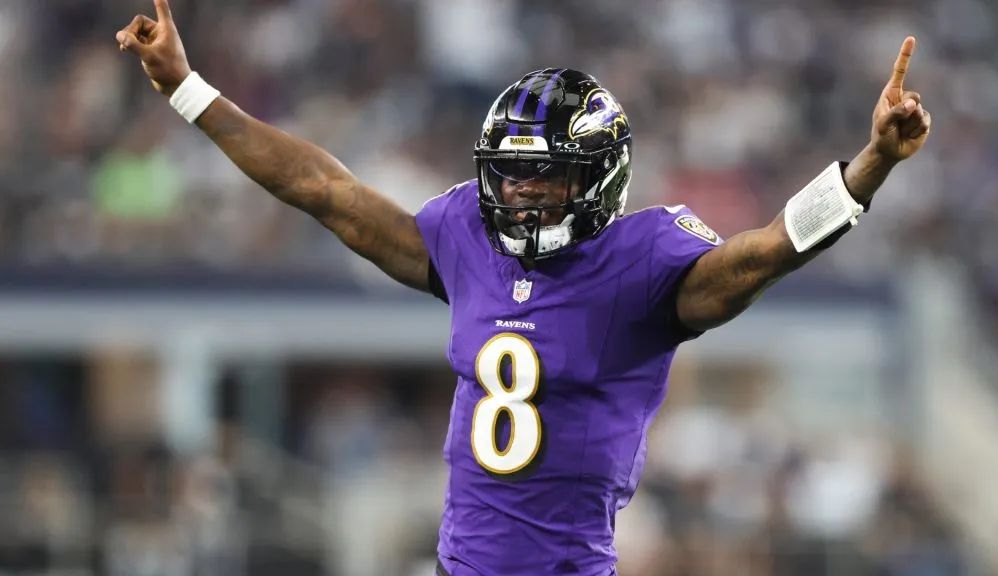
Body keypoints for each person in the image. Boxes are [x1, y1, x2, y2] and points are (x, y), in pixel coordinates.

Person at [115, 1, 932, 574]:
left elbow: (764, 253)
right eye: (511, 175)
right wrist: (190, 91)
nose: (522, 194)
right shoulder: (467, 237)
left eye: (546, 176)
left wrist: (869, 169)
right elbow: (324, 189)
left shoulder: (642, 264)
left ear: (599, 178)